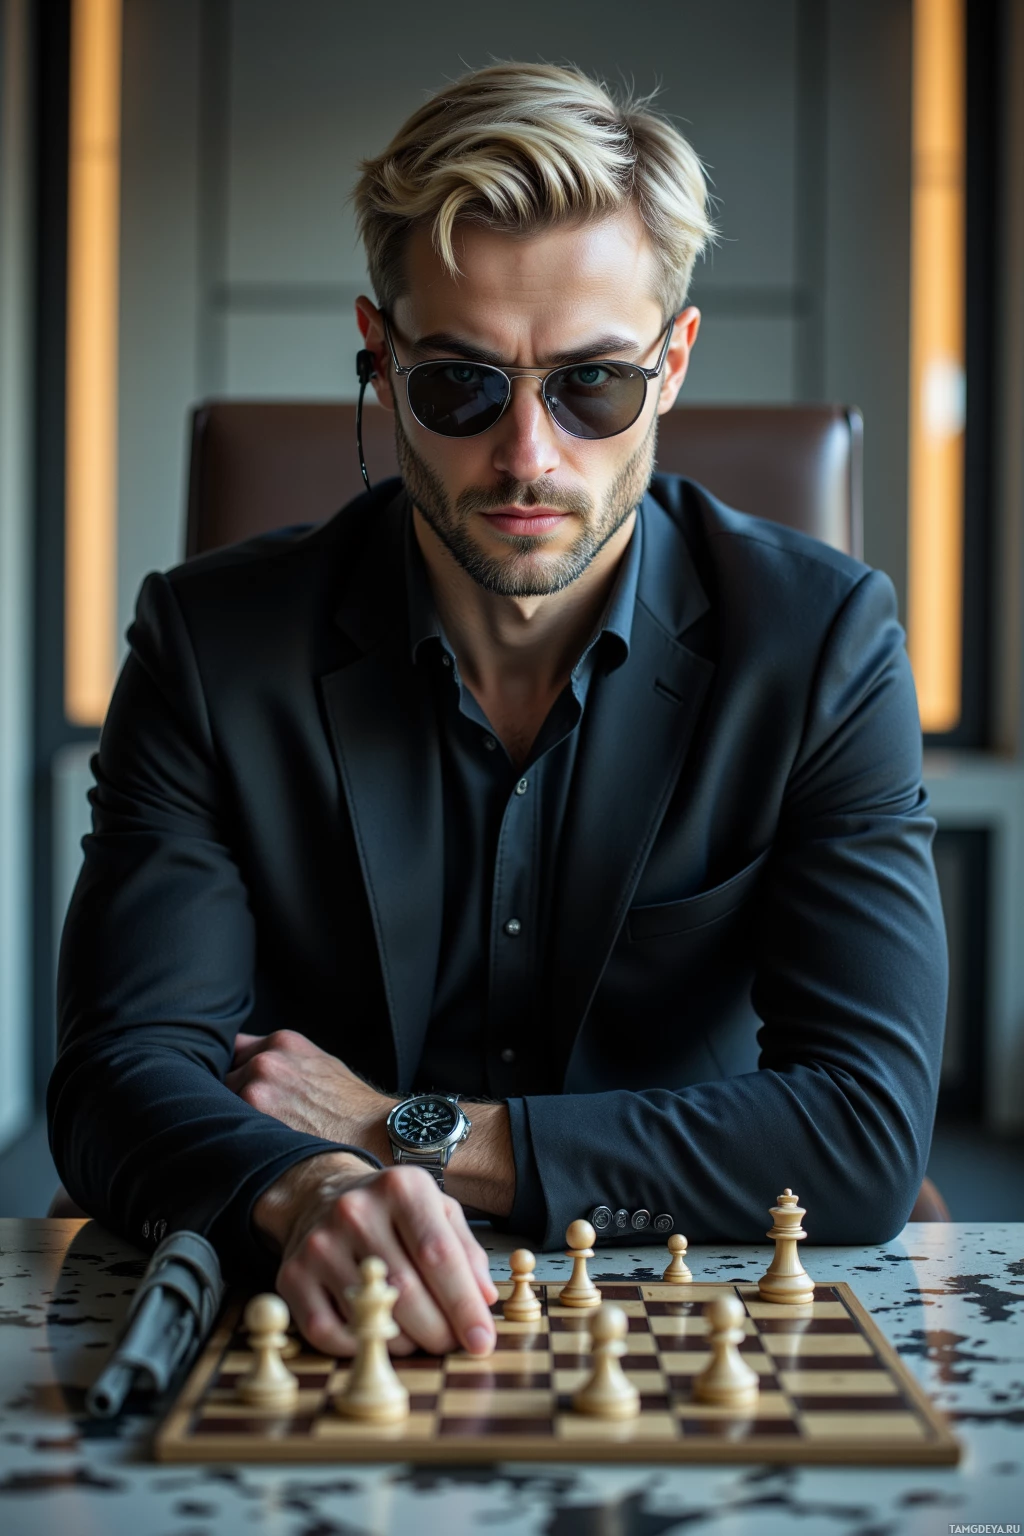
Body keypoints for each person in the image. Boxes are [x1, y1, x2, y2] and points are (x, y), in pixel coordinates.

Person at [48, 61, 947, 1363]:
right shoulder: (208, 646)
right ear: (381, 355)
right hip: (319, 1303)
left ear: (673, 364)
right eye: (462, 387)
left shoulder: (823, 645)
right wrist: (316, 1189)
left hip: (690, 1308)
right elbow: (118, 1077)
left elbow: (862, 1133)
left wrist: (391, 1127)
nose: (528, 455)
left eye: (593, 388)